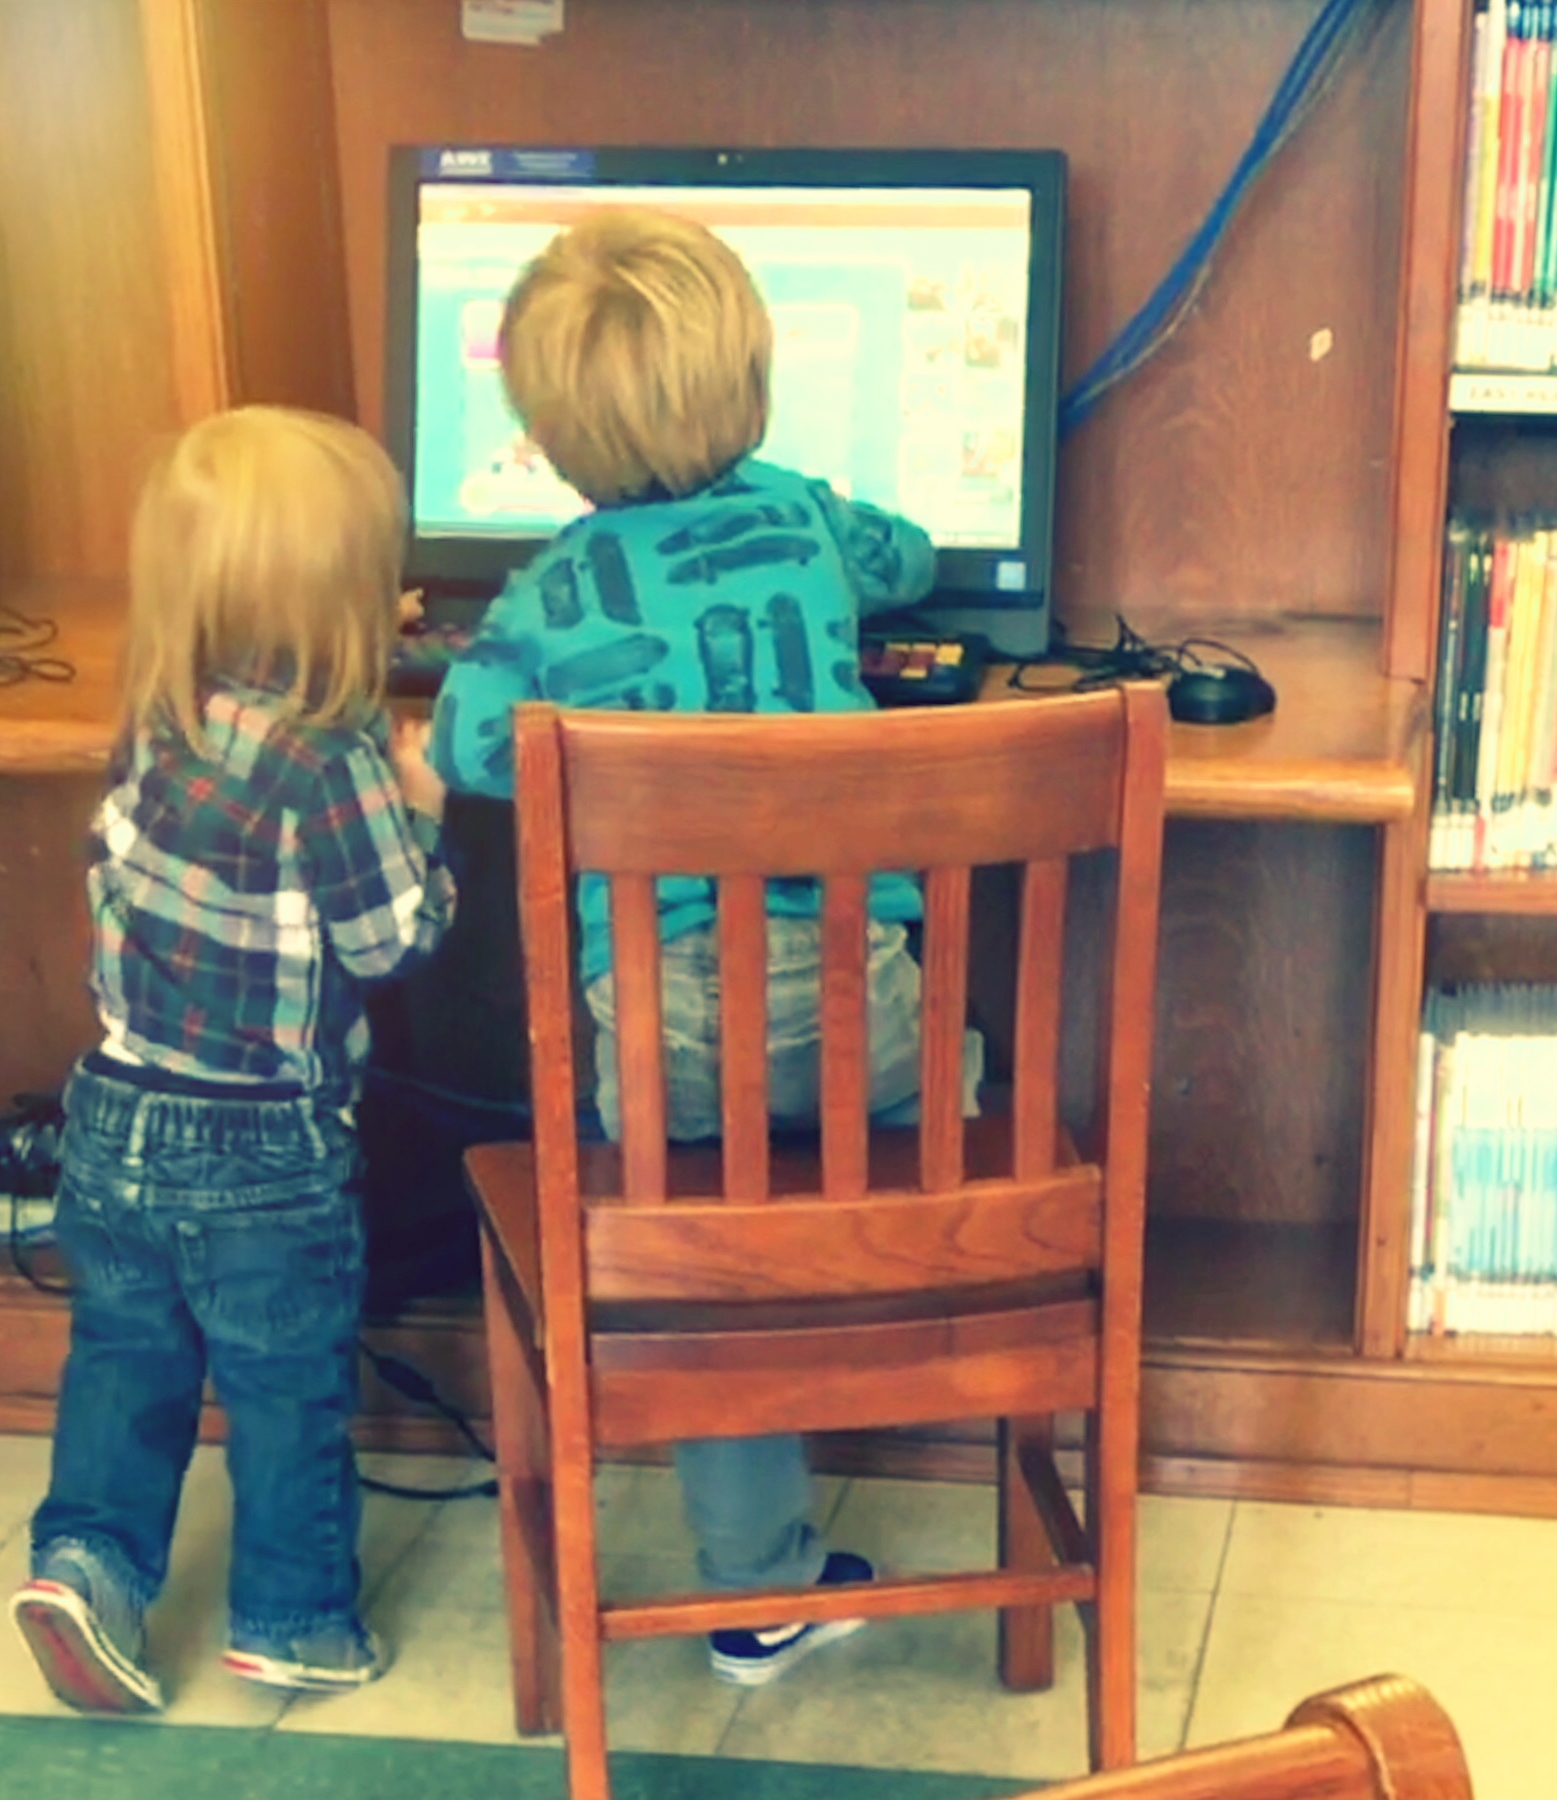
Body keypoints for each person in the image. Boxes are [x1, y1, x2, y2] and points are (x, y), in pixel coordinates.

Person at [428, 208, 938, 1687]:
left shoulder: (551, 593)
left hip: (668, 1039)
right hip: (861, 1015)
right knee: (934, 1069)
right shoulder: (803, 519)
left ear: (543, 436)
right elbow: (908, 561)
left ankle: (756, 1588)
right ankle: (906, 1231)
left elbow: (466, 745)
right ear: (754, 380)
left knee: (707, 1260)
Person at [11, 407, 457, 1714]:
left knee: (125, 1362)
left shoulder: (156, 718)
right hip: (263, 1146)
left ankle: (85, 1568)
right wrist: (427, 811)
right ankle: (293, 1618)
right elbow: (392, 940)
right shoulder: (336, 762)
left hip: (111, 1114)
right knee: (285, 1384)